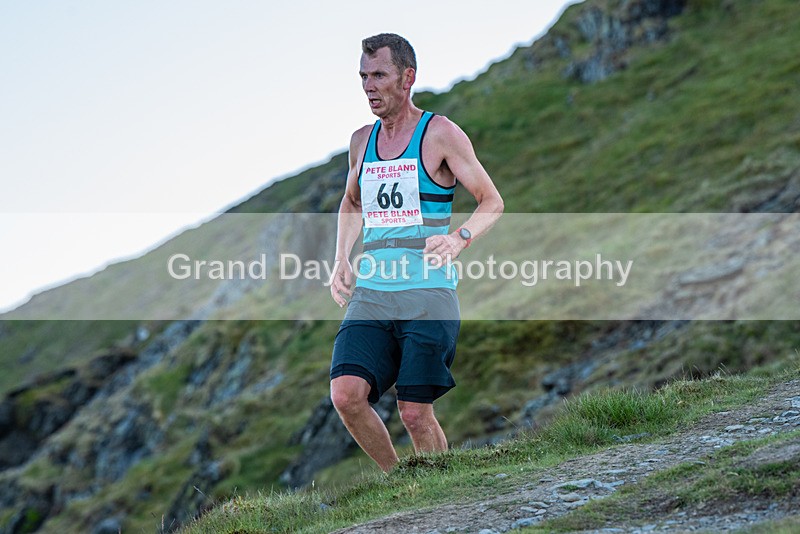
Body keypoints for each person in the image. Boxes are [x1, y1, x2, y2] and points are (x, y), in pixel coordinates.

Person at [328, 33, 504, 472]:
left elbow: (491, 201)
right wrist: (341, 259)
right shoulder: (361, 142)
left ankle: (436, 497)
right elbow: (352, 202)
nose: (369, 86)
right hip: (372, 292)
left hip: (428, 294)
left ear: (407, 78)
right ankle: (397, 483)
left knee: (414, 413)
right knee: (346, 395)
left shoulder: (439, 134)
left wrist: (459, 238)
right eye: (363, 76)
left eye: (379, 75)